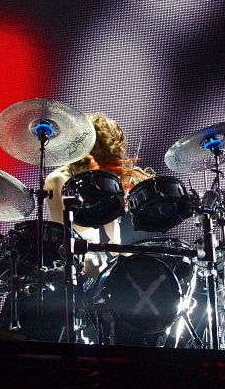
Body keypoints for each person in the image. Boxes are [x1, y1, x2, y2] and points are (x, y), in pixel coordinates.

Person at [45, 112, 154, 275]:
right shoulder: (57, 180)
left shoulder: (99, 179)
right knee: (92, 263)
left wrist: (121, 251)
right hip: (66, 258)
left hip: (95, 255)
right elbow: (62, 233)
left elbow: (112, 231)